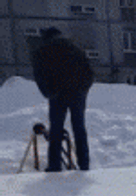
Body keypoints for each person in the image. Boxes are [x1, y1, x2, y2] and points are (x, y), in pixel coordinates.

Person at [30, 27, 93, 172]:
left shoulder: (43, 50)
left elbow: (39, 74)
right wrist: (83, 89)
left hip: (57, 95)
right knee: (79, 128)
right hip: (77, 94)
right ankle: (84, 164)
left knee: (55, 130)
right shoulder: (75, 48)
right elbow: (89, 72)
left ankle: (54, 164)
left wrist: (48, 92)